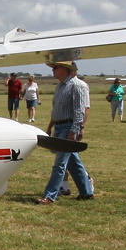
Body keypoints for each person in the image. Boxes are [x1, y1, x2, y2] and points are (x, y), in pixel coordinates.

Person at [37, 61, 93, 204]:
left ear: (66, 69)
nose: (53, 71)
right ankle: (86, 192)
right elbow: (56, 109)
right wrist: (51, 127)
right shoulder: (60, 87)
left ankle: (49, 195)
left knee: (60, 163)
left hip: (68, 127)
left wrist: (74, 131)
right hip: (60, 126)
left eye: (56, 68)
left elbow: (79, 111)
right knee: (73, 162)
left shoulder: (77, 85)